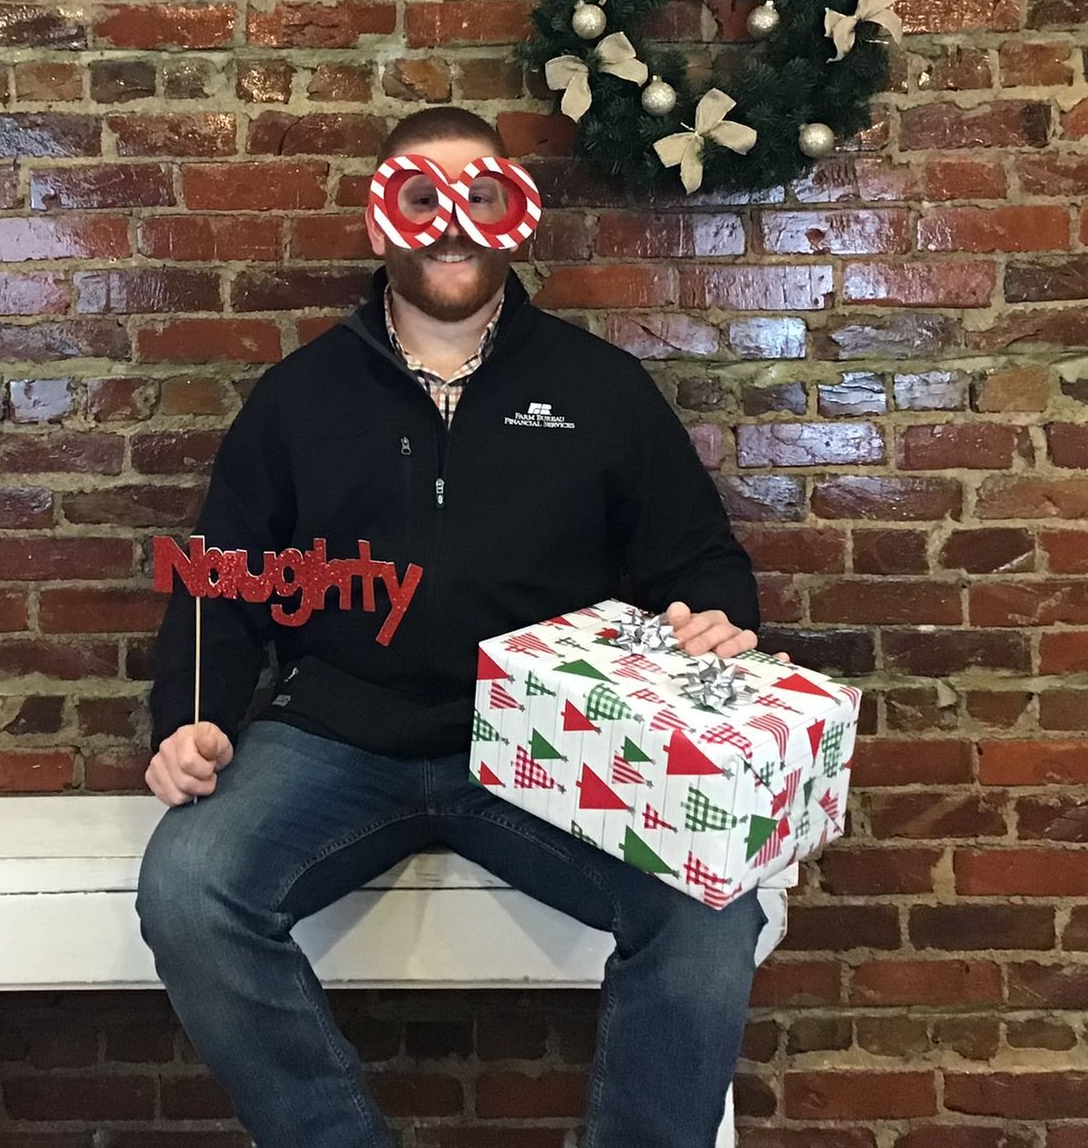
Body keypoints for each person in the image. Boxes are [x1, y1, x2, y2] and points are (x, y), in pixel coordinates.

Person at [136, 105, 769, 1148]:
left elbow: (699, 559)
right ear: (379, 224)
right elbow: (219, 585)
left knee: (710, 907)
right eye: (420, 199)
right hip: (335, 738)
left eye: (479, 196)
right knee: (189, 887)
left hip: (550, 748)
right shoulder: (297, 400)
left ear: (516, 218)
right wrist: (191, 720)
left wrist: (715, 620)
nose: (451, 223)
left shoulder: (598, 388)